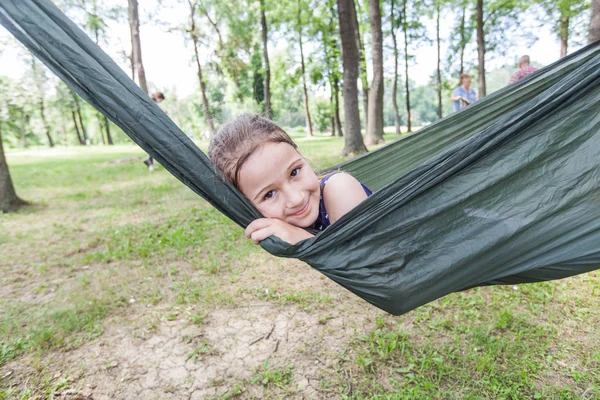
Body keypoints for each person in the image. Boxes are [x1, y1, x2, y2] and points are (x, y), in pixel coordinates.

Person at [208, 114, 372, 245]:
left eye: (294, 172)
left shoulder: (340, 188)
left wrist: (306, 241)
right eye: (270, 194)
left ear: (302, 157)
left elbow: (370, 263)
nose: (296, 199)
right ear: (248, 207)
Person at [143, 92, 166, 171]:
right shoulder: (151, 102)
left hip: (149, 126)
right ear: (159, 97)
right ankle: (150, 162)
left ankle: (150, 162)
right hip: (149, 127)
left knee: (153, 145)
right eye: (161, 100)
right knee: (153, 145)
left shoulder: (151, 101)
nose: (160, 102)